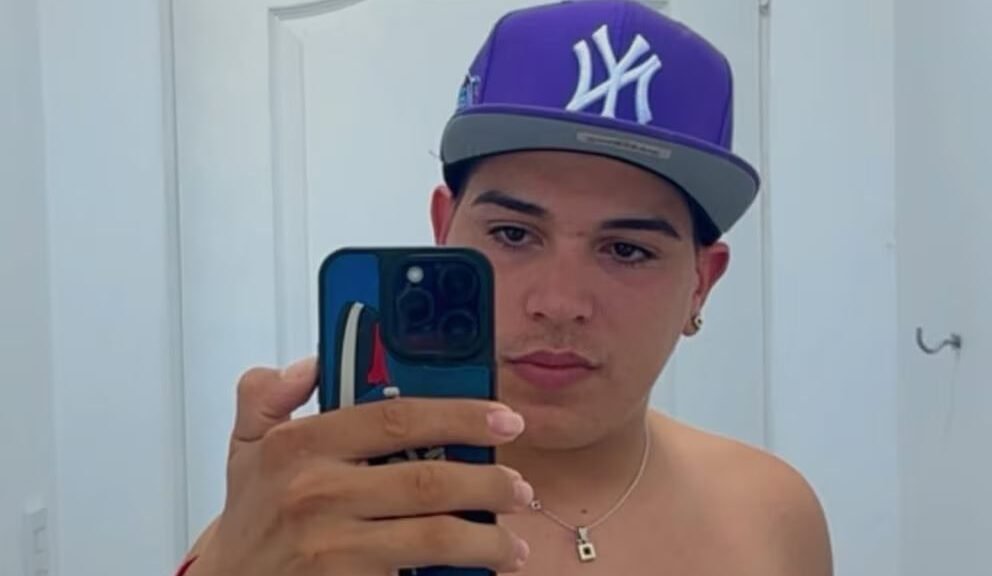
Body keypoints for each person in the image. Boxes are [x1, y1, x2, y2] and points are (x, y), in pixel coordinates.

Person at [178, 1, 833, 574]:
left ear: (701, 284)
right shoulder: (315, 523)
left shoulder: (771, 516)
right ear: (445, 231)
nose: (560, 303)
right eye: (515, 234)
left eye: (627, 249)